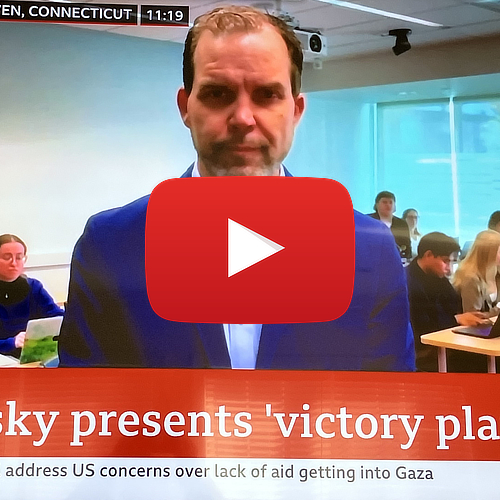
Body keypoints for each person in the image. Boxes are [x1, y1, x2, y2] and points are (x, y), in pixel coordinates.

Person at [58, 5, 415, 371]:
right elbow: (87, 401)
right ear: (185, 107)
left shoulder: (368, 249)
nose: (243, 118)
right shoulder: (110, 244)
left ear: (296, 111)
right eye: (217, 94)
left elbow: (389, 401)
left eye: (267, 95)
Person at [406, 232, 487, 372]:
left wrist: (465, 317)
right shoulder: (409, 284)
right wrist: (456, 319)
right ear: (428, 255)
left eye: (451, 262)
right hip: (424, 351)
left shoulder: (436, 276)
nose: (449, 269)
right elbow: (422, 328)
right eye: (445, 261)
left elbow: (453, 305)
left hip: (443, 343)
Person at [0, 234, 64, 357]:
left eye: (19, 257)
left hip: (33, 356)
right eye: (7, 257)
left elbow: (56, 316)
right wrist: (11, 343)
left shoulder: (34, 287)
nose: (14, 263)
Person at [453, 230, 500, 318]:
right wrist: (497, 310)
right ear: (488, 253)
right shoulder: (470, 278)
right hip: (476, 325)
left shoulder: (496, 271)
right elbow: (473, 316)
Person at [368, 191, 412, 260]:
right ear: (377, 204)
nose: (388, 205)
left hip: (397, 260)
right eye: (384, 202)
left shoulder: (401, 224)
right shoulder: (368, 220)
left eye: (391, 202)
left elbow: (407, 247)